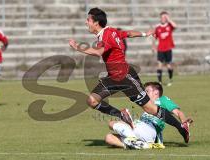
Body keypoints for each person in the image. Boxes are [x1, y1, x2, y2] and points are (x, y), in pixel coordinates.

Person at [68, 8, 188, 139]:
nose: (86, 23)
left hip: (126, 78)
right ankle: (122, 114)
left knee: (151, 109)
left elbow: (98, 52)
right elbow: (129, 33)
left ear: (96, 22)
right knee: (92, 100)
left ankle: (181, 127)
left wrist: (77, 47)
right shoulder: (111, 31)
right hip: (113, 78)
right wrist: (144, 34)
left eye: (88, 20)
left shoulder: (106, 35)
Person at [105, 82, 193, 149]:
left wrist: (184, 122)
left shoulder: (162, 100)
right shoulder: (147, 104)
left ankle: (134, 136)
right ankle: (141, 144)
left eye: (147, 91)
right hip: (140, 129)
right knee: (109, 138)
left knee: (112, 123)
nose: (145, 93)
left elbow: (178, 112)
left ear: (156, 92)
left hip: (150, 129)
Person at [152, 11, 177, 86]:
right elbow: (154, 38)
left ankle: (170, 79)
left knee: (169, 65)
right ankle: (159, 82)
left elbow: (175, 26)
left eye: (164, 17)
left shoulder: (169, 26)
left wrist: (169, 19)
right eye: (162, 17)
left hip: (168, 49)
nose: (163, 18)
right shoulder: (157, 27)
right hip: (160, 49)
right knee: (159, 65)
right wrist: (153, 46)